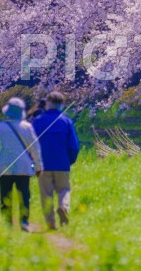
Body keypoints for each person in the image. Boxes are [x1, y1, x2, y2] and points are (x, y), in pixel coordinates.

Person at [0, 97, 43, 232]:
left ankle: (7, 223)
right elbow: (35, 149)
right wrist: (39, 167)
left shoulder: (0, 127)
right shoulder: (27, 127)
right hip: (24, 167)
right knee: (24, 195)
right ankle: (24, 221)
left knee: (5, 195)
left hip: (5, 167)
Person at [32, 91, 79, 229]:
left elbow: (31, 144)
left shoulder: (38, 121)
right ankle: (64, 207)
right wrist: (69, 160)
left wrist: (33, 163)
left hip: (43, 164)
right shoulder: (66, 122)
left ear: (48, 103)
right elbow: (74, 146)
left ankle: (51, 223)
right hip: (62, 163)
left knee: (46, 194)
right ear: (61, 105)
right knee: (64, 189)